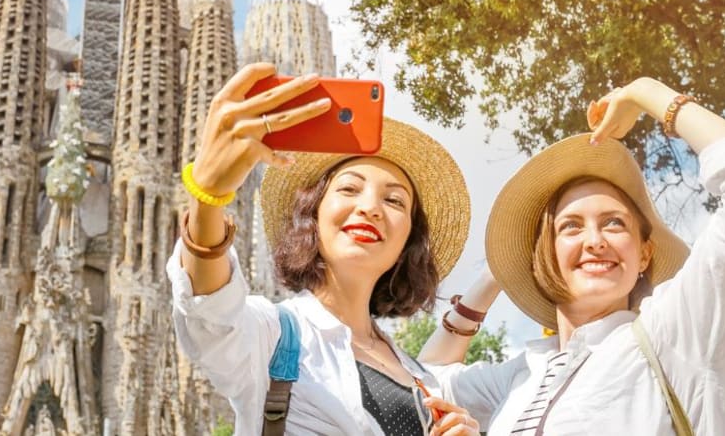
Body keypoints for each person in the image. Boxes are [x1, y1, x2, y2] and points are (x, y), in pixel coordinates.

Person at [166, 63, 487, 435]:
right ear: (313, 216)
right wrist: (207, 198)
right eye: (349, 189)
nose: (370, 207)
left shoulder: (422, 379)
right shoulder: (275, 335)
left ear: (408, 242)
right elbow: (211, 313)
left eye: (395, 201)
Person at [421, 77, 725, 434]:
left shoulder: (674, 333)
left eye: (614, 224)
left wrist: (645, 93)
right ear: (544, 256)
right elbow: (426, 378)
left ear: (644, 254)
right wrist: (497, 274)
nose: (595, 241)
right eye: (570, 227)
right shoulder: (523, 372)